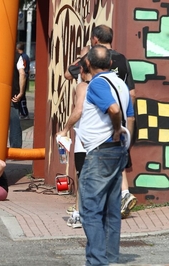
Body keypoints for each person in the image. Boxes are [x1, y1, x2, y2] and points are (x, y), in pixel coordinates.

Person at [64, 25, 137, 219]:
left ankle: (84, 210)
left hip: (96, 117)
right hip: (119, 116)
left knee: (89, 165)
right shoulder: (121, 60)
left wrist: (80, 55)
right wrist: (127, 118)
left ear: (95, 39)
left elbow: (67, 74)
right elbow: (132, 93)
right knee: (118, 158)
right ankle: (123, 194)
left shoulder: (90, 57)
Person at [76, 45, 134, 265]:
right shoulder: (120, 84)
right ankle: (110, 257)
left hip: (100, 151)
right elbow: (130, 115)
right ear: (110, 64)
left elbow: (114, 110)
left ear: (88, 64)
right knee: (111, 210)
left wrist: (117, 128)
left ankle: (97, 262)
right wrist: (125, 142)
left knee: (90, 210)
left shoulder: (97, 84)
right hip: (116, 151)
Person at [57, 56, 92, 229]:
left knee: (82, 175)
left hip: (85, 137)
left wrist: (65, 130)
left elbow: (78, 110)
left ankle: (79, 213)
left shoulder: (83, 86)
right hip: (107, 139)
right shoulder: (113, 84)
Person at [9, 44, 27, 148]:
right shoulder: (16, 56)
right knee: (14, 120)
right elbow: (22, 73)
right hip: (13, 94)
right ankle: (15, 148)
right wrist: (21, 92)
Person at [16, 43, 30, 120]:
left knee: (21, 97)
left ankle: (24, 113)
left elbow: (22, 70)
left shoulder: (22, 57)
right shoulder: (26, 56)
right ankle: (23, 113)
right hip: (25, 77)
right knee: (22, 96)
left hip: (22, 78)